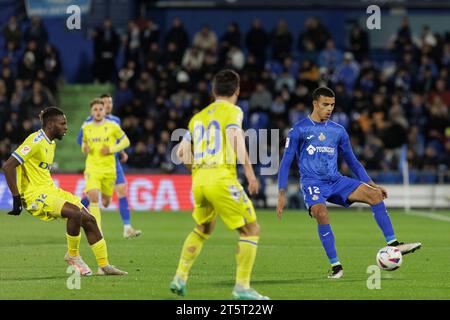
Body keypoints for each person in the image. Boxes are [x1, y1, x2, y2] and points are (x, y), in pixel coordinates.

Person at [276, 87, 421, 278]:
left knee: (375, 195)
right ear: (315, 104)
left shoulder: (338, 131)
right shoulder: (299, 129)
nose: (329, 109)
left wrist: (372, 184)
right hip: (313, 182)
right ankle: (336, 266)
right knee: (321, 212)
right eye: (325, 105)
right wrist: (281, 193)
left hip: (335, 180)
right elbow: (286, 161)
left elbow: (353, 161)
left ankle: (394, 245)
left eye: (332, 105)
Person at [170, 69, 269, 300]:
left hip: (199, 179)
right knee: (251, 229)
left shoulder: (198, 117)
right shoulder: (233, 111)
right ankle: (242, 288)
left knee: (204, 228)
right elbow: (235, 137)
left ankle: (180, 277)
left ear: (213, 91)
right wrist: (249, 172)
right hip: (221, 177)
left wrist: (198, 171)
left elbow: (182, 152)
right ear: (237, 90)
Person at [2, 106, 127, 276]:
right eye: (62, 123)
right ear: (50, 125)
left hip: (50, 190)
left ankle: (104, 266)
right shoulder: (35, 141)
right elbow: (8, 166)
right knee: (74, 213)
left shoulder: (50, 143)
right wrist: (17, 199)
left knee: (89, 219)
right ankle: (73, 255)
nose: (66, 127)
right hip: (35, 196)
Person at [77, 94, 141, 239]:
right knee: (93, 195)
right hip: (93, 167)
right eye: (98, 107)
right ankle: (99, 230)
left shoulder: (114, 122)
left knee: (106, 202)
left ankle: (77, 206)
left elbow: (122, 140)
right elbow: (82, 142)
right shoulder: (86, 125)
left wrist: (117, 151)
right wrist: (84, 148)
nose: (105, 107)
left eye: (108, 103)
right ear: (92, 110)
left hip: (111, 165)